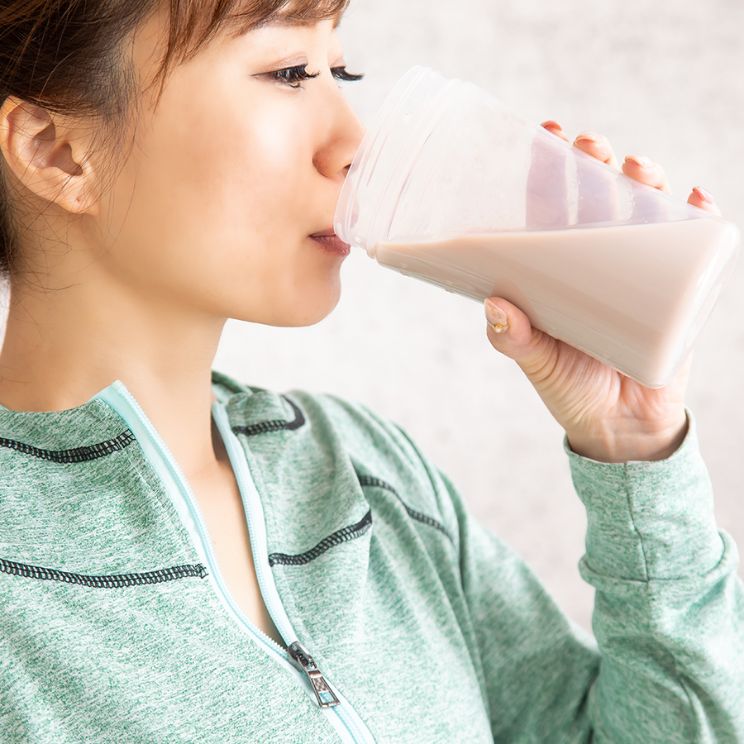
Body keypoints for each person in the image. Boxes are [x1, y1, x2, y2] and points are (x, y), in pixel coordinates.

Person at [0, 1, 741, 742]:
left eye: (340, 71)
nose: (355, 142)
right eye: (288, 73)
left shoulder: (367, 474)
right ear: (54, 151)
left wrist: (633, 447)